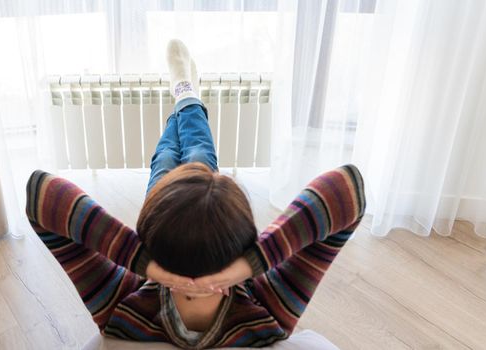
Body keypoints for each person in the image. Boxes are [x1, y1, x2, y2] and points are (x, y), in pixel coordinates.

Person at [25, 39, 366, 349]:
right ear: (246, 245)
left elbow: (42, 195)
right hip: (170, 226)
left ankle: (184, 92)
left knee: (168, 156)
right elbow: (347, 192)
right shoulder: (268, 313)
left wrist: (146, 266)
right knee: (199, 152)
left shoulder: (124, 307)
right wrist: (250, 267)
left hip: (166, 214)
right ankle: (186, 93)